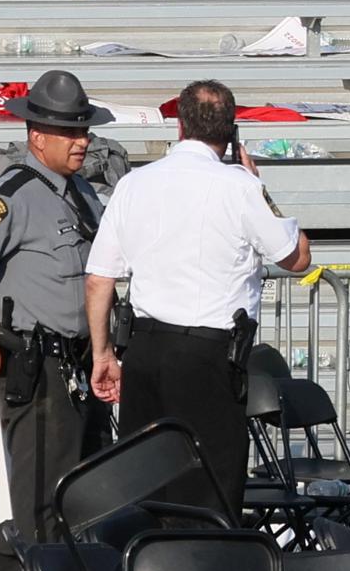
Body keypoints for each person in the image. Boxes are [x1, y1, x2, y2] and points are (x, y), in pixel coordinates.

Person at [85, 80, 309, 511]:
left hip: (146, 349)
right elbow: (296, 257)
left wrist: (103, 354)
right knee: (209, 488)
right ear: (231, 132)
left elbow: (99, 279)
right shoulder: (239, 186)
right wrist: (260, 187)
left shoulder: (134, 184)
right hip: (208, 355)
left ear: (180, 127)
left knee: (144, 487)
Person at [0, 70, 115, 571]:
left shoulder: (82, 193)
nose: (83, 141)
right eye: (71, 132)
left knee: (83, 493)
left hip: (80, 363)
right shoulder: (8, 197)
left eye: (85, 130)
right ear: (38, 135)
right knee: (40, 501)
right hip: (38, 368)